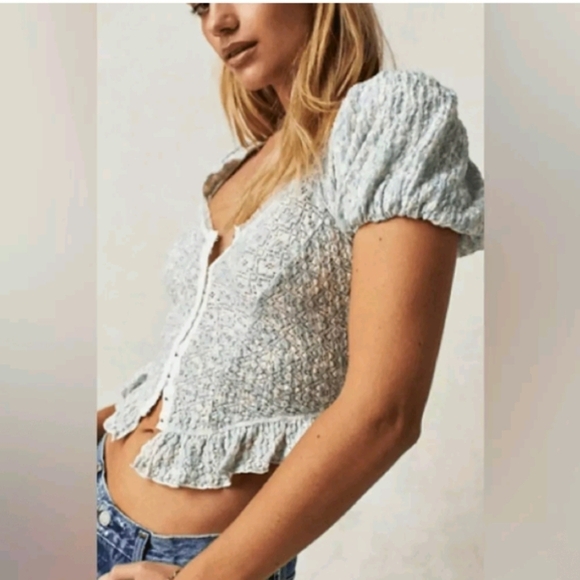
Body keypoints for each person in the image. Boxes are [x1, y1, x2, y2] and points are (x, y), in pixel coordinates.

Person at [97, 4, 484, 580]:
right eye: (200, 5)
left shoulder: (391, 121)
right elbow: (191, 374)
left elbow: (386, 415)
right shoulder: (241, 164)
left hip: (194, 564)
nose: (216, 23)